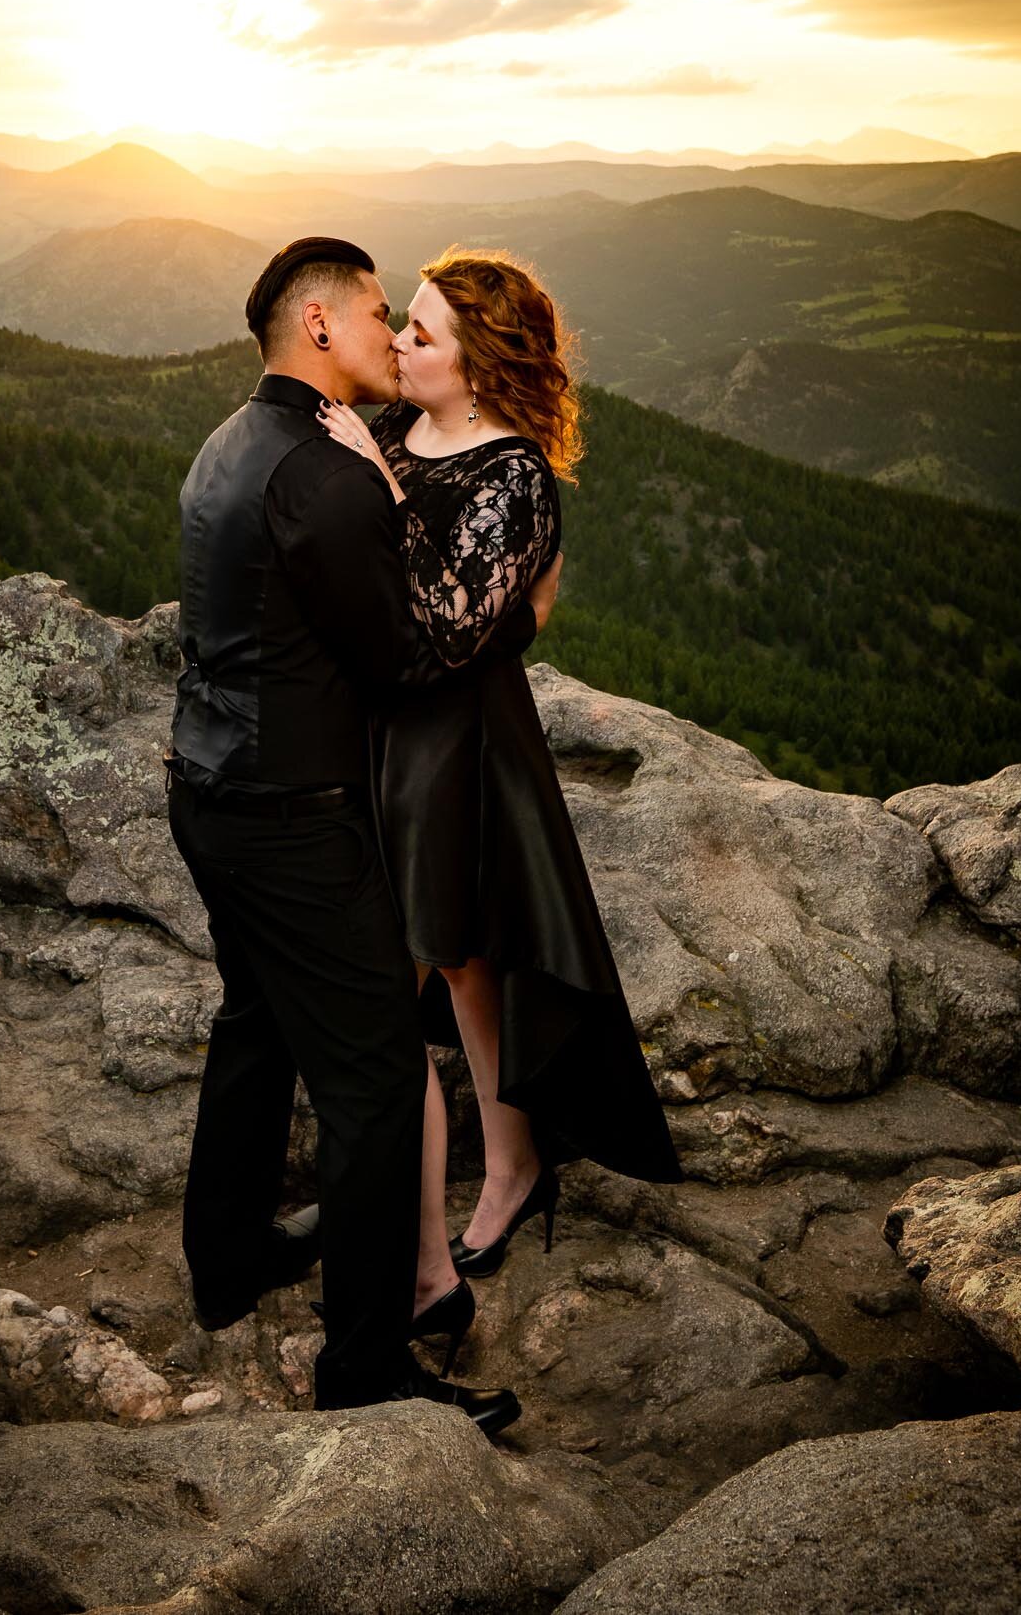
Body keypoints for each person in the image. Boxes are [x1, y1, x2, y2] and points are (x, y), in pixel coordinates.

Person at [166, 234, 559, 1436]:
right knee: (381, 1080)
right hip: (292, 813)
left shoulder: (233, 441)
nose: (394, 333)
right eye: (381, 312)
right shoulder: (329, 473)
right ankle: (368, 1363)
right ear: (321, 325)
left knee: (256, 1020)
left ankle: (228, 1256)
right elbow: (407, 649)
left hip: (206, 788)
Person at [318, 246, 680, 1376]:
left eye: (423, 331)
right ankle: (501, 1157)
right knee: (457, 961)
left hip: (457, 748)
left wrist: (370, 491)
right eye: (405, 326)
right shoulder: (388, 434)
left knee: (441, 960)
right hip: (380, 742)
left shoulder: (511, 473)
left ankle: (468, 1198)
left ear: (479, 362)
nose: (403, 344)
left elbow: (440, 627)